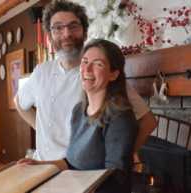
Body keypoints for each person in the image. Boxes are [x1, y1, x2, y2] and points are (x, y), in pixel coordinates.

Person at [14, 0, 157, 161]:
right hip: (42, 165)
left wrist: (123, 156)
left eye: (74, 26)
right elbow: (19, 102)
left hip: (81, 173)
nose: (67, 34)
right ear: (50, 36)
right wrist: (41, 130)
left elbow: (148, 121)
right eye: (58, 28)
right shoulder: (41, 71)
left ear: (85, 34)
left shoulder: (98, 75)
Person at [18, 39, 139, 193]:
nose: (86, 68)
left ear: (114, 74)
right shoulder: (79, 110)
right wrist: (38, 165)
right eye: (85, 62)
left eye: (97, 64)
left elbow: (116, 176)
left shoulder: (119, 115)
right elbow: (71, 163)